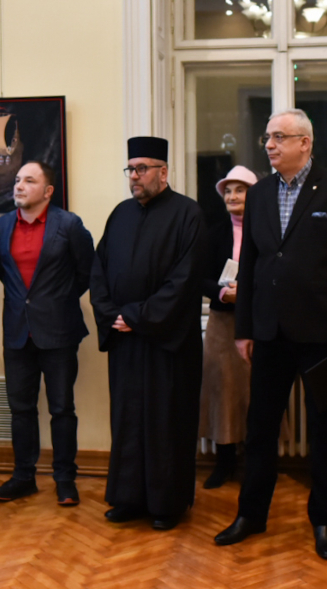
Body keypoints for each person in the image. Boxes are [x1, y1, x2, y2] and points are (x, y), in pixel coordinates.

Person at [214, 108, 327, 561]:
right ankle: (251, 515)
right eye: (267, 137)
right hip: (269, 334)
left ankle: (324, 521)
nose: (269, 144)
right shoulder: (260, 193)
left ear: (305, 142)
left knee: (325, 431)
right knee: (260, 429)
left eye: (279, 137)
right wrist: (244, 329)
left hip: (323, 336)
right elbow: (252, 264)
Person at [90, 136, 205, 531]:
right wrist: (113, 315)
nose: (134, 176)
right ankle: (128, 498)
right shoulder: (120, 214)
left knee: (165, 422)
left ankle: (166, 503)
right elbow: (98, 271)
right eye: (131, 169)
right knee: (127, 420)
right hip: (126, 340)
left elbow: (185, 281)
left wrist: (138, 316)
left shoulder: (188, 214)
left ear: (163, 172)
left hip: (167, 343)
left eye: (142, 169)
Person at [0, 161, 95, 505]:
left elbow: (86, 272)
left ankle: (65, 479)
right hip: (17, 330)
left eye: (29, 181)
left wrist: (56, 300)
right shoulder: (1, 226)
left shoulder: (69, 225)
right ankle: (23, 477)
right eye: (17, 180)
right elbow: (4, 273)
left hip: (59, 330)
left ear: (48, 191)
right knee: (20, 409)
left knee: (62, 408)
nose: (19, 186)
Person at [198, 165, 257, 489]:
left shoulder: (267, 230)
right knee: (222, 391)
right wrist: (222, 293)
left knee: (255, 392)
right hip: (222, 323)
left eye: (240, 190)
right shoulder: (213, 232)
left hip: (259, 323)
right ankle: (224, 463)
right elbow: (199, 277)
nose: (233, 196)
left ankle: (255, 464)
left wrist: (247, 291)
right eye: (228, 191)